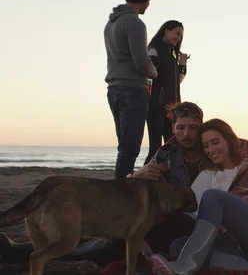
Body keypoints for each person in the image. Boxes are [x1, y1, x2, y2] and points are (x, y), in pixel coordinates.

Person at [0, 102, 205, 266]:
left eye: (193, 128)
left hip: (188, 219)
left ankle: (43, 256)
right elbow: (134, 189)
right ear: (173, 128)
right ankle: (23, 250)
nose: (186, 134)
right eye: (181, 128)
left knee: (107, 245)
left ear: (201, 128)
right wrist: (137, 174)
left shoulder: (211, 150)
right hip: (158, 218)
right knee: (90, 227)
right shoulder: (166, 153)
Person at [149, 119, 248, 275]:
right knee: (178, 247)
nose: (211, 149)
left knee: (214, 197)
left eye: (215, 142)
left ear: (229, 141)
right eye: (206, 146)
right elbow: (193, 213)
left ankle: (184, 267)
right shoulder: (207, 175)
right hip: (236, 244)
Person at [104, 0, 157, 179]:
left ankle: (121, 188)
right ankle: (123, 193)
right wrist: (154, 72)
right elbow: (142, 63)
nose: (148, 5)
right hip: (133, 90)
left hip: (114, 89)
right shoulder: (135, 23)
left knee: (124, 147)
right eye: (148, 1)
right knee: (130, 148)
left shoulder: (111, 23)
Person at [143, 20, 191, 165]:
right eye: (177, 33)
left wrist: (182, 63)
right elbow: (148, 74)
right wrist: (150, 98)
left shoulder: (171, 55)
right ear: (166, 30)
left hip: (173, 109)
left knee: (174, 146)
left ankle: (166, 179)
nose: (179, 38)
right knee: (156, 147)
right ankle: (144, 177)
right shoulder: (155, 49)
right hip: (157, 106)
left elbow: (177, 81)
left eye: (181, 36)